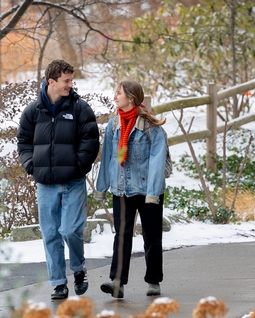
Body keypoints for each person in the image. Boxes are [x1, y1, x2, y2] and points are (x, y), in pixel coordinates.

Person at [17, 59, 99, 300]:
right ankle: (58, 283)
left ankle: (78, 267)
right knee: (51, 232)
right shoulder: (33, 111)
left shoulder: (80, 108)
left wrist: (78, 166)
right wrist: (31, 165)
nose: (70, 85)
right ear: (50, 81)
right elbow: (23, 141)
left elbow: (91, 141)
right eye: (66, 81)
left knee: (71, 229)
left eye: (71, 80)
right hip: (45, 184)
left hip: (73, 181)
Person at [95, 80, 167, 298]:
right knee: (122, 235)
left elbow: (157, 161)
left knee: (152, 236)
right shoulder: (113, 125)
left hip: (147, 190)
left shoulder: (151, 128)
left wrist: (153, 193)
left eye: (119, 93)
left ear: (131, 98)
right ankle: (117, 282)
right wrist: (103, 187)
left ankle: (153, 281)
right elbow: (109, 157)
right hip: (122, 189)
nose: (115, 97)